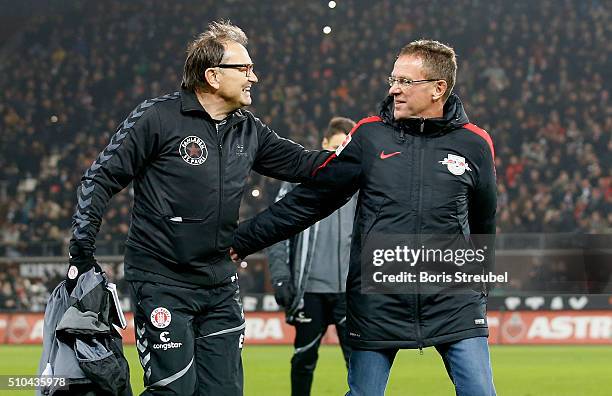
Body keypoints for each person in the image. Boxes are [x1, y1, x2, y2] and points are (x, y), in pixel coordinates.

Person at [66, 20, 329, 396]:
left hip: (220, 284)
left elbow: (307, 164)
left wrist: (357, 155)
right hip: (162, 281)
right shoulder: (157, 117)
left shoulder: (249, 130)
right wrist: (82, 251)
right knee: (174, 391)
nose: (254, 77)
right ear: (213, 75)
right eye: (245, 68)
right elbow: (100, 178)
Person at [232, 40, 497, 396]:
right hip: (379, 298)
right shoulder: (370, 135)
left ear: (438, 89)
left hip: (453, 300)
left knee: (480, 392)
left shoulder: (475, 143)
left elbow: (484, 222)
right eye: (393, 78)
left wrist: (480, 285)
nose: (393, 88)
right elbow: (312, 200)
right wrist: (242, 240)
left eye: (406, 80)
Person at [268, 117, 357, 396]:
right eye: (333, 149)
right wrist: (281, 277)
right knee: (304, 361)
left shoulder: (361, 186)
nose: (337, 156)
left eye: (343, 150)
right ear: (322, 145)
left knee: (359, 364)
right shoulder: (300, 182)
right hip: (310, 291)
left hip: (349, 292)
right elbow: (276, 232)